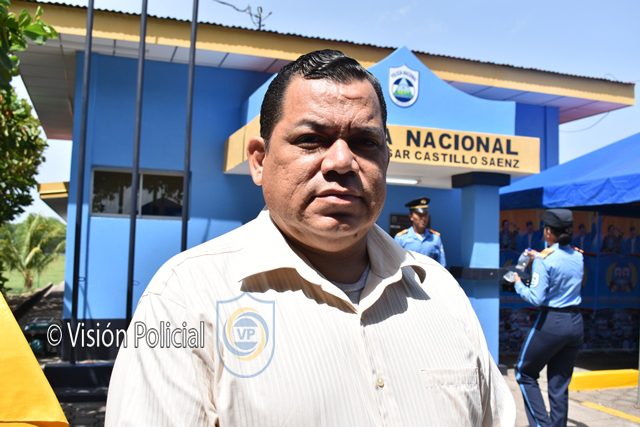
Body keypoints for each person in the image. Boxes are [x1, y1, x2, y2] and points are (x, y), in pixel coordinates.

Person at [105, 49, 514, 426]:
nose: (341, 161)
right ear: (259, 160)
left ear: (385, 161)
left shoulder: (439, 291)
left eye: (365, 142)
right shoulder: (183, 298)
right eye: (311, 140)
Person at [513, 209, 584, 427]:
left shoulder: (545, 260)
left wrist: (517, 283)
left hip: (552, 322)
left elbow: (536, 298)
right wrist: (541, 256)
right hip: (575, 322)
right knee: (559, 383)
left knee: (524, 372)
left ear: (548, 232)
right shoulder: (578, 256)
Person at [393, 197, 446, 267]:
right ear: (411, 217)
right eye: (420, 215)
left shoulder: (435, 238)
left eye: (425, 215)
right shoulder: (401, 238)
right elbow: (394, 263)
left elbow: (441, 265)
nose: (423, 218)